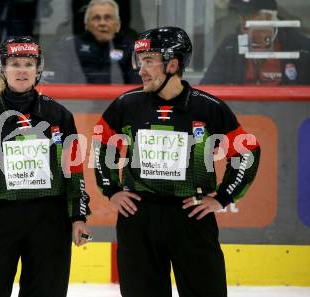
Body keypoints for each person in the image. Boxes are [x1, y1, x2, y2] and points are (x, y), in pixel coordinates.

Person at [93, 27, 261, 297]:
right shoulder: (126, 105)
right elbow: (101, 145)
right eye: (140, 60)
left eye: (149, 60)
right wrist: (111, 190)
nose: (140, 69)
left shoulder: (209, 108)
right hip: (138, 218)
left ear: (173, 64)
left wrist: (223, 197)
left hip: (192, 217)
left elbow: (247, 152)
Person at [0, 36, 91, 297]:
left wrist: (78, 217)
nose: (21, 70)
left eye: (28, 64)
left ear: (38, 70)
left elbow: (73, 173)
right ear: (2, 69)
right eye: (14, 63)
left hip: (50, 221)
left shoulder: (59, 116)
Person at [201, 0, 310, 85]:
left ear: (268, 18)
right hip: (240, 113)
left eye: (249, 15)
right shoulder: (229, 46)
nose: (243, 21)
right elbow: (207, 90)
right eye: (241, 15)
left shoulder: (301, 48)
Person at [51, 0, 140, 84]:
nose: (102, 23)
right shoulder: (69, 46)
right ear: (87, 25)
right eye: (96, 18)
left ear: (118, 25)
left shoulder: (130, 47)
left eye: (108, 18)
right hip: (79, 99)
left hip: (119, 99)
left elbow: (137, 88)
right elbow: (58, 83)